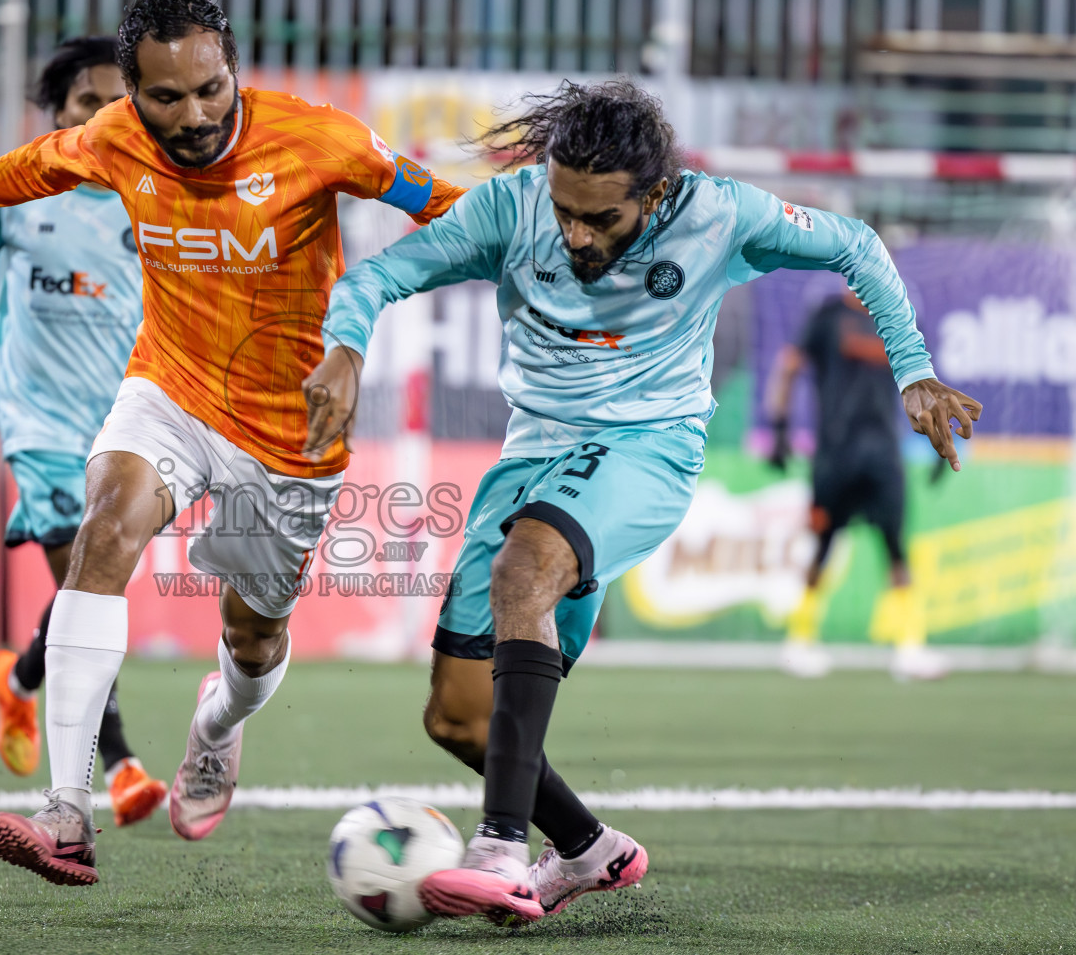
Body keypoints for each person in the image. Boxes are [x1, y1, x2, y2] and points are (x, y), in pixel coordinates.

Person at [0, 0, 462, 887]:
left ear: (233, 69)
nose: (193, 115)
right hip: (170, 390)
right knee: (101, 534)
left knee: (254, 641)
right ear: (131, 91)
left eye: (210, 90)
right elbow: (22, 170)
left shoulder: (323, 138)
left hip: (287, 431)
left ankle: (216, 730)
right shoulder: (115, 139)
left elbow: (459, 217)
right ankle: (67, 812)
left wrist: (543, 267)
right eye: (165, 97)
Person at [303, 81, 981, 925]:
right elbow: (376, 278)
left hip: (648, 449)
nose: (576, 234)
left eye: (601, 219)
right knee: (458, 719)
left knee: (526, 571)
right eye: (564, 211)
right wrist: (346, 348)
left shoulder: (719, 215)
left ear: (655, 194)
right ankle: (587, 849)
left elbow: (857, 245)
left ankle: (500, 850)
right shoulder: (511, 211)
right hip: (533, 455)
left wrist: (912, 366)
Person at [0, 36, 169, 825]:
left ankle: (18, 681)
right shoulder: (18, 192)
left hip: (125, 417)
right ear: (56, 113)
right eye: (90, 102)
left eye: (120, 102)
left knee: (94, 582)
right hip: (41, 422)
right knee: (81, 579)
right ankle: (119, 766)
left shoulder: (148, 192)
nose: (107, 115)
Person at [766, 287, 951, 681]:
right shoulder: (827, 318)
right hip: (835, 455)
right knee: (821, 547)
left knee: (897, 549)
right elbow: (788, 365)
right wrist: (779, 428)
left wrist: (940, 440)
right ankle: (798, 642)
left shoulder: (895, 321)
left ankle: (909, 648)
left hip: (883, 454)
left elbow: (922, 385)